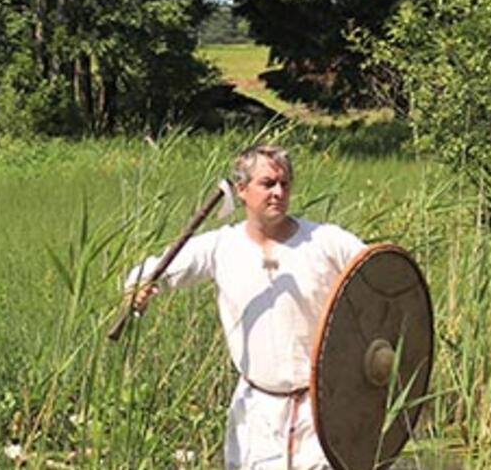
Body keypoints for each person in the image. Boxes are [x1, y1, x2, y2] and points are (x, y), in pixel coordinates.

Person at [124, 144, 364, 470]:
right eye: (267, 184)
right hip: (256, 411)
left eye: (284, 184)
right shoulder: (223, 247)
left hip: (321, 407)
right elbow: (153, 273)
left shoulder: (325, 241)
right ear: (242, 190)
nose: (278, 192)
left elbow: (383, 277)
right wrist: (138, 289)